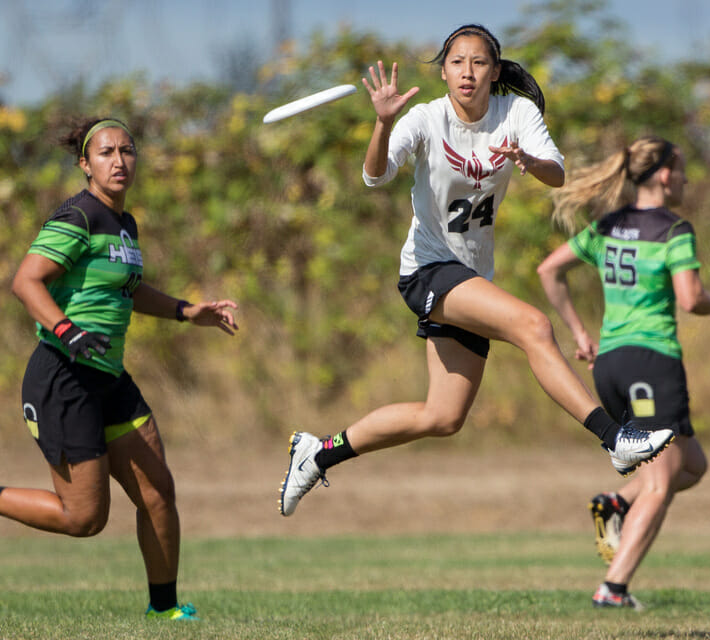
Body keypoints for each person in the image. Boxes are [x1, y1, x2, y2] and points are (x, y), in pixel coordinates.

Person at [278, 24, 674, 518]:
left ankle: (318, 453)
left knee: (442, 417)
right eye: (457, 62)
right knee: (534, 325)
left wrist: (526, 158)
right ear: (443, 71)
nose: (468, 71)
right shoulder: (425, 118)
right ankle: (615, 438)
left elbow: (556, 172)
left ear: (494, 70)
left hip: (470, 275)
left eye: (479, 62)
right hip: (427, 270)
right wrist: (381, 124)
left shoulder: (517, 113)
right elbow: (374, 176)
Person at [7, 117, 239, 620]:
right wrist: (68, 331)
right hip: (63, 378)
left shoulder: (124, 223)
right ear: (85, 164)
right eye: (106, 152)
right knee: (83, 518)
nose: (118, 160)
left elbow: (128, 291)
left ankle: (165, 610)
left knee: (158, 493)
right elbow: (26, 282)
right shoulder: (78, 217)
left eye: (126, 151)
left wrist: (186, 311)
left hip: (108, 375)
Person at [537, 135, 710, 609]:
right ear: (667, 175)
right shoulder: (674, 230)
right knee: (659, 483)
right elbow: (691, 300)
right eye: (685, 169)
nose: (689, 178)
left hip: (610, 362)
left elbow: (549, 270)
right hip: (651, 361)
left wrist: (580, 332)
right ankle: (613, 588)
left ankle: (616, 503)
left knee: (691, 466)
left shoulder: (610, 225)